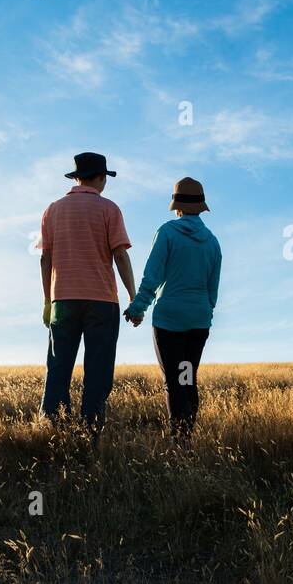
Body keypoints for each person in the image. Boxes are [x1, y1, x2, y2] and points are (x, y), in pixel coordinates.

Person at [38, 152, 136, 432]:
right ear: (102, 178)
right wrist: (132, 295)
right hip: (102, 301)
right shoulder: (109, 209)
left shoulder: (52, 210)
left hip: (63, 300)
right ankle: (91, 431)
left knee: (58, 367)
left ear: (76, 177)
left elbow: (45, 259)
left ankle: (54, 430)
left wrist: (48, 301)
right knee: (98, 370)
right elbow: (120, 255)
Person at [123, 177, 221, 435]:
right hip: (198, 323)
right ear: (201, 207)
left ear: (176, 206)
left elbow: (152, 277)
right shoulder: (212, 242)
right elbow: (213, 291)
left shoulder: (167, 232)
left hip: (170, 322)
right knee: (187, 378)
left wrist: (137, 308)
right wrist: (204, 311)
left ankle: (180, 443)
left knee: (174, 383)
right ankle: (187, 436)